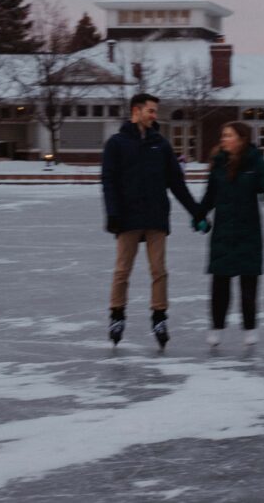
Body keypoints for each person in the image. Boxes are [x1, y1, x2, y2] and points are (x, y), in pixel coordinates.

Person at [101, 93, 202, 350]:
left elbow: (177, 184)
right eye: (151, 111)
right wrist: (113, 214)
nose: (155, 116)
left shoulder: (161, 144)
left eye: (155, 111)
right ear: (137, 111)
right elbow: (109, 182)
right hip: (127, 217)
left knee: (159, 270)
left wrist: (196, 212)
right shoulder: (117, 143)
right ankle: (117, 315)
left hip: (156, 216)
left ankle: (159, 317)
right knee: (122, 269)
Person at [197, 121, 264, 347]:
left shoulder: (255, 163)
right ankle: (217, 327)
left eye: (228, 135)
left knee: (248, 284)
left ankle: (250, 327)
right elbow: (210, 195)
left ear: (241, 138)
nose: (223, 139)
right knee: (220, 283)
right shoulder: (218, 163)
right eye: (223, 135)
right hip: (223, 231)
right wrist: (199, 215)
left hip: (248, 232)